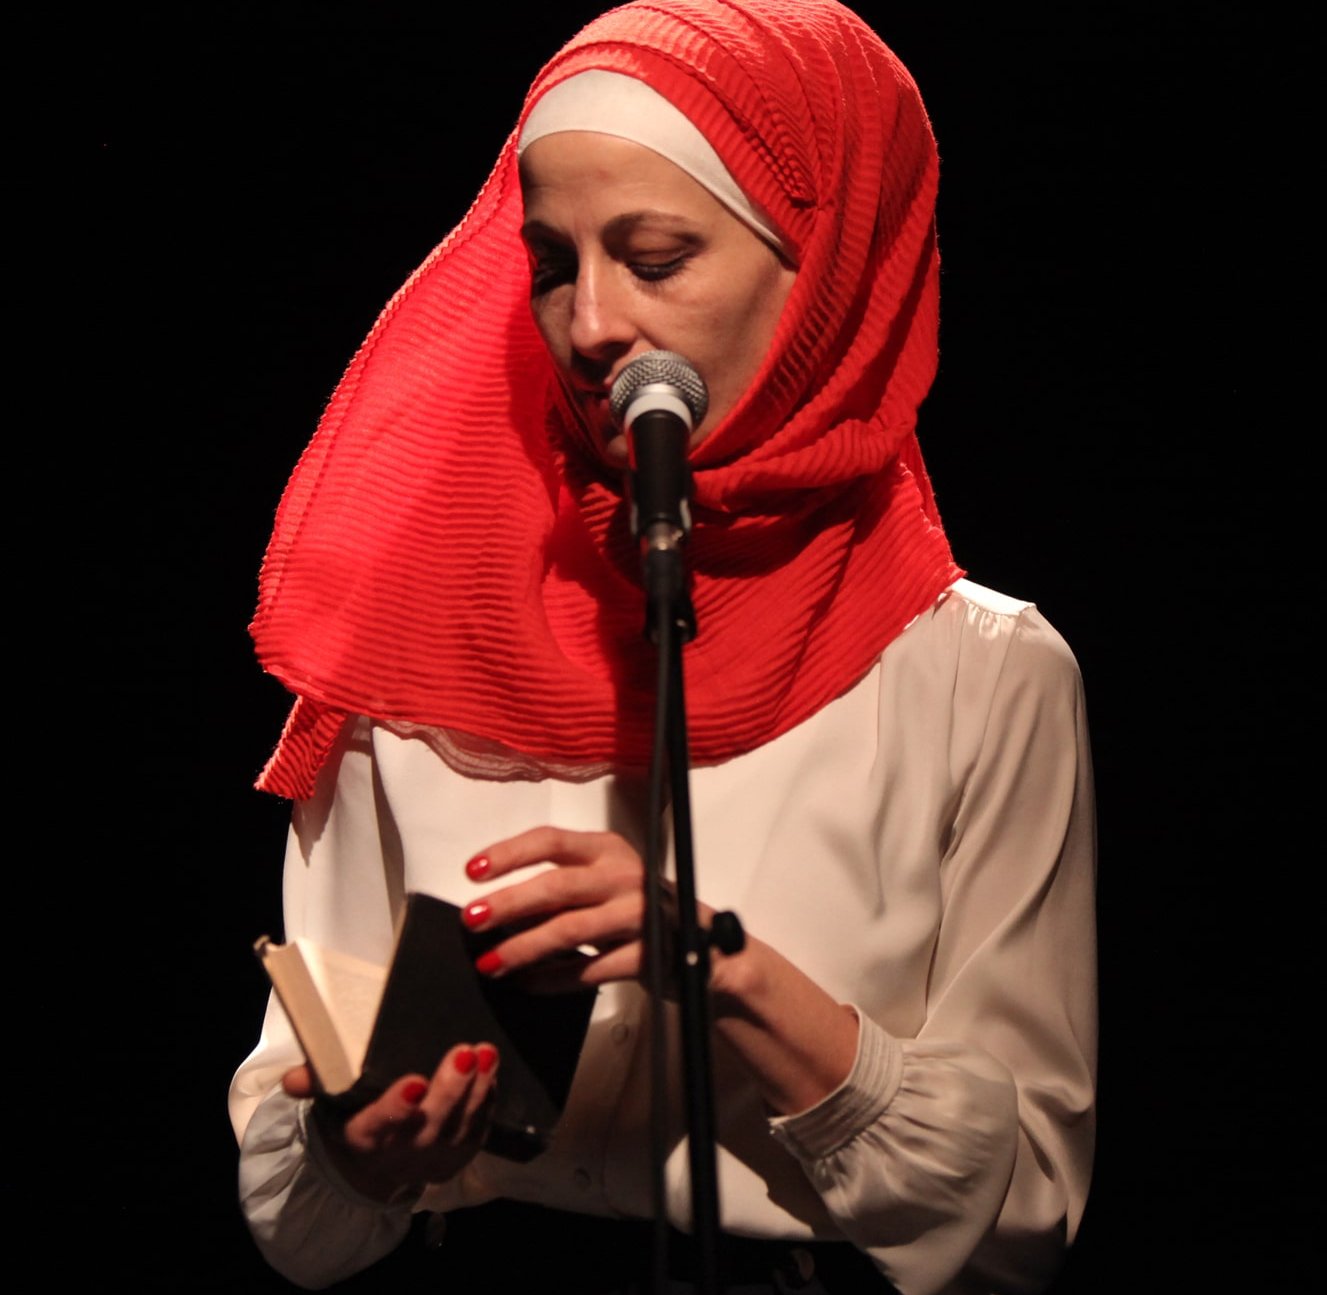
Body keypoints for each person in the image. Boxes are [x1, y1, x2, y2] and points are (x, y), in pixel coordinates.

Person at [227, 3, 1096, 1291]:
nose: (587, 327)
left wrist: (728, 972)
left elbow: (1024, 1210)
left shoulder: (980, 672)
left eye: (654, 256)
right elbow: (287, 1204)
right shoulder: (416, 628)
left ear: (827, 271)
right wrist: (358, 1149)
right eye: (550, 261)